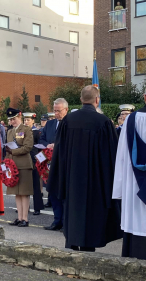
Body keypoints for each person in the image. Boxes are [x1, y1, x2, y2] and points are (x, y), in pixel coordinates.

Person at [48, 85, 122, 251]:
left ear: (81, 100)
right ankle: (88, 249)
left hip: (72, 179)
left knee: (73, 212)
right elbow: (112, 156)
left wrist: (59, 180)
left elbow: (59, 153)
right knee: (91, 216)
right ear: (97, 100)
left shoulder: (68, 121)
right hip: (95, 181)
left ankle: (72, 245)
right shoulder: (103, 122)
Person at [113, 91, 146, 260]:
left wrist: (118, 190)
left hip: (135, 183)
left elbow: (123, 157)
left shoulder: (131, 121)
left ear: (145, 97)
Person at [40, 98, 69, 230]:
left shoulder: (70, 124)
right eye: (54, 110)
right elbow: (42, 139)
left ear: (66, 110)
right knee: (52, 192)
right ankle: (57, 220)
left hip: (64, 164)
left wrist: (56, 146)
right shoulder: (50, 124)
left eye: (59, 111)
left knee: (64, 195)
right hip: (50, 165)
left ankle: (65, 222)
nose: (56, 113)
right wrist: (48, 145)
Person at [2, 109, 33, 226]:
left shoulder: (26, 129)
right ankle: (19, 217)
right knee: (17, 193)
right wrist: (5, 164)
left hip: (24, 164)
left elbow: (28, 147)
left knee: (24, 192)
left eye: (14, 119)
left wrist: (13, 151)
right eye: (10, 120)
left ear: (19, 116)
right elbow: (7, 149)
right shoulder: (10, 132)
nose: (12, 121)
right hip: (13, 165)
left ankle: (25, 218)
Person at [23, 112, 44, 216]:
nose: (26, 122)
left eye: (28, 120)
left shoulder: (36, 132)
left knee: (35, 184)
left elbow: (40, 146)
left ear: (33, 121)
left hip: (34, 159)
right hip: (24, 159)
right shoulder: (21, 132)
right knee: (24, 185)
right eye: (25, 120)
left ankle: (38, 207)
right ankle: (24, 207)